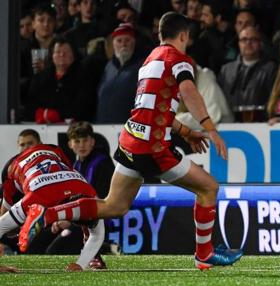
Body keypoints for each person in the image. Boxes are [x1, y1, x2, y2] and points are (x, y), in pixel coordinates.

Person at [20, 12, 241, 271]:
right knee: (208, 188)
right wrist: (210, 129)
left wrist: (183, 130)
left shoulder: (149, 61)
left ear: (160, 35)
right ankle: (204, 255)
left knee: (114, 205)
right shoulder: (179, 60)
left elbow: (152, 109)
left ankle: (49, 213)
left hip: (131, 139)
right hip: (153, 148)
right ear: (184, 36)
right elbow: (189, 91)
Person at [0, 143, 105, 272]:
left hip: (48, 160)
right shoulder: (92, 197)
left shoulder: (89, 192)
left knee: (8, 227)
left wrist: (80, 265)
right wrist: (80, 264)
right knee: (9, 230)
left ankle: (44, 217)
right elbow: (98, 235)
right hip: (20, 174)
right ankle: (44, 217)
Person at [219, 26, 278, 122]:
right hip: (229, 126)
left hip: (260, 125)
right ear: (239, 44)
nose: (248, 43)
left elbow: (274, 99)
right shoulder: (226, 70)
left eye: (253, 39)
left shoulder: (271, 68)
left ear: (260, 43)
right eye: (244, 39)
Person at [27, 36, 89, 123]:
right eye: (58, 52)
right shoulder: (40, 78)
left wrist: (58, 114)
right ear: (52, 55)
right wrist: (42, 114)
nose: (61, 55)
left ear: (74, 55)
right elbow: (30, 104)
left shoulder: (83, 78)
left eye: (66, 52)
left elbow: (82, 107)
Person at [95, 23, 147, 124]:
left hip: (128, 128)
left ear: (134, 42)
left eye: (127, 40)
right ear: (113, 44)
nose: (123, 44)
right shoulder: (108, 66)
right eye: (119, 41)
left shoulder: (143, 67)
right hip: (104, 127)